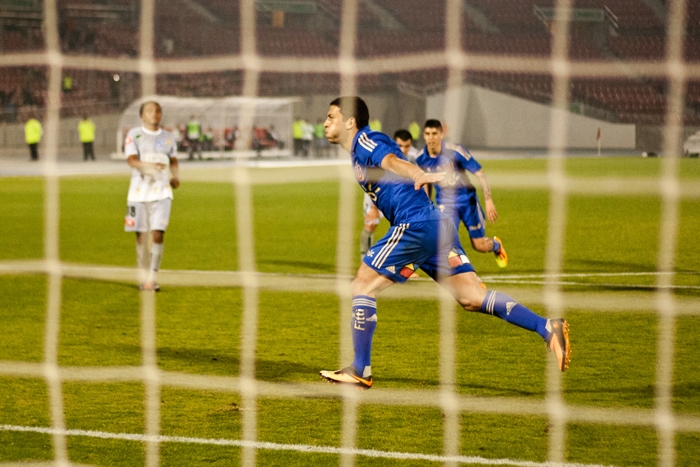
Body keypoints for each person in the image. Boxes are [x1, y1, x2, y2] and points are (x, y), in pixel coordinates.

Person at [319, 96, 570, 389]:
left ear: (350, 121)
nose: (325, 122)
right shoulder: (356, 152)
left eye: (331, 116)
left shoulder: (364, 140)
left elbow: (391, 160)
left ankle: (360, 369)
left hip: (415, 224)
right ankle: (547, 327)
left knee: (362, 285)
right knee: (472, 298)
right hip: (436, 225)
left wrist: (417, 173)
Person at [416, 119, 508, 268]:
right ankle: (472, 280)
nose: (431, 138)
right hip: (446, 205)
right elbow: (426, 182)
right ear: (424, 135)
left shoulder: (456, 151)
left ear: (441, 134)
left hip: (467, 201)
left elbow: (480, 173)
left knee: (479, 245)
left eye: (434, 133)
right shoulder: (421, 158)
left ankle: (497, 246)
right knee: (447, 242)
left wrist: (489, 201)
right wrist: (427, 205)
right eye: (428, 134)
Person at [123, 101, 180, 292]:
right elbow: (131, 160)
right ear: (142, 116)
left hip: (162, 193)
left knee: (158, 233)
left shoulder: (169, 138)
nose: (154, 114)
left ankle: (152, 279)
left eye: (157, 110)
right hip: (138, 194)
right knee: (142, 237)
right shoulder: (134, 135)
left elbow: (173, 160)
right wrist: (149, 167)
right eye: (149, 111)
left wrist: (175, 177)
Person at [360, 129, 419, 259]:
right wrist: (374, 208)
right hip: (376, 192)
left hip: (397, 195)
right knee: (370, 225)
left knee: (407, 229)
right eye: (400, 146)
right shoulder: (383, 154)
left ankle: (402, 265)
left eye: (407, 146)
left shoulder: (414, 157)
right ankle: (365, 261)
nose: (403, 150)